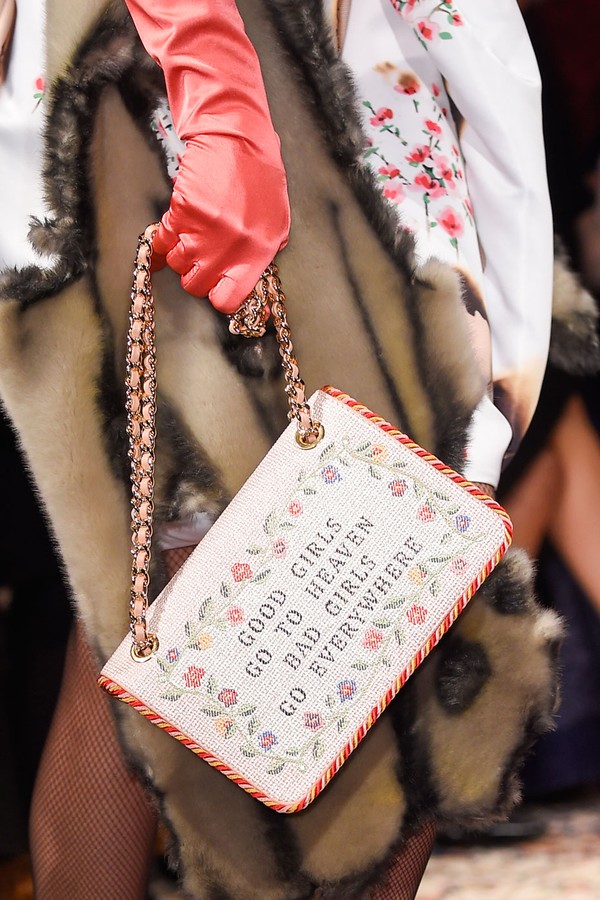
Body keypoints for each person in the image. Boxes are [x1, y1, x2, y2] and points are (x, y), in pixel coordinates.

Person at [1, 1, 565, 898]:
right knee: (380, 618)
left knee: (153, 611)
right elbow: (486, 62)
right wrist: (513, 337)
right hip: (313, 196)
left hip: (186, 172)